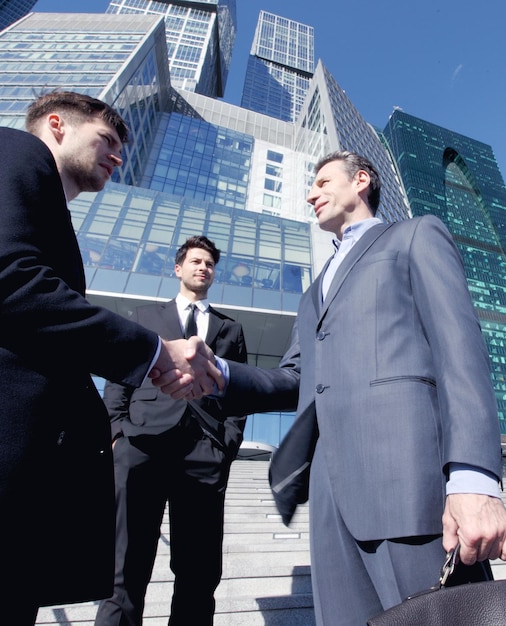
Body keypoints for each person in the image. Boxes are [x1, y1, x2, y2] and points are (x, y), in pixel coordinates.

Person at [0, 91, 221, 626]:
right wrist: (153, 351)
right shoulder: (2, 149)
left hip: (4, 471)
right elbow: (0, 282)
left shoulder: (48, 211)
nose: (117, 157)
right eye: (107, 140)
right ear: (57, 125)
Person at [154, 151, 506, 625]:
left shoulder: (415, 235)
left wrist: (474, 479)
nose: (310, 194)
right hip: (330, 503)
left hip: (408, 487)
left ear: (361, 181)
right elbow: (295, 379)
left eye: (321, 182)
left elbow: (461, 351)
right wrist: (223, 372)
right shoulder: (312, 293)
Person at [94, 235, 248, 626]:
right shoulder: (145, 317)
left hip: (204, 454)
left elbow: (239, 394)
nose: (203, 268)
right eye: (196, 261)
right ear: (178, 268)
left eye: (210, 264)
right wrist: (116, 435)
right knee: (124, 568)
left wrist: (226, 444)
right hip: (142, 445)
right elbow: (119, 378)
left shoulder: (231, 330)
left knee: (198, 572)